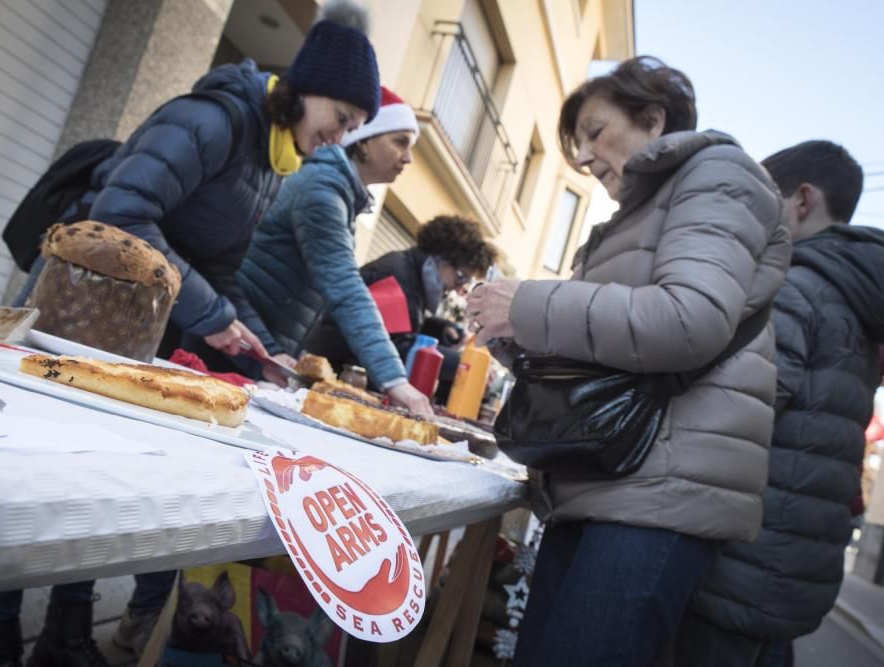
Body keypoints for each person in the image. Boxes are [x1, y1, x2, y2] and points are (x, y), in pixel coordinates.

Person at [0, 3, 381, 666]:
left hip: (135, 331)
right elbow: (122, 213)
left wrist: (251, 336)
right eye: (342, 119)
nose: (341, 136)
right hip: (78, 311)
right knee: (36, 474)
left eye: (356, 128)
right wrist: (214, 311)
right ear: (305, 90)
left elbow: (217, 270)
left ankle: (66, 632)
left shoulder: (275, 166)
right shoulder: (215, 119)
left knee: (97, 479)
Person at [465, 56, 791, 666]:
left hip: (662, 491)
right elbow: (599, 353)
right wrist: (510, 334)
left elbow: (688, 319)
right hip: (604, 481)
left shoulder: (717, 173)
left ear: (651, 117)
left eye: (593, 132)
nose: (583, 158)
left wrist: (530, 305)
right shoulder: (629, 220)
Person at [672, 141, 884, 667]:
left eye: (764, 196)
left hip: (742, 563)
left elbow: (741, 408)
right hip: (795, 571)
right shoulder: (857, 300)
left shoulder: (797, 285)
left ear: (803, 200)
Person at [236, 88, 433, 413]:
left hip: (260, 344)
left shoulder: (338, 190)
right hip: (242, 341)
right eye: (400, 142)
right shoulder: (322, 190)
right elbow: (345, 287)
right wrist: (395, 380)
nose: (408, 158)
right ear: (366, 140)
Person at [303, 214, 496, 403]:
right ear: (441, 258)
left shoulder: (409, 275)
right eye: (461, 276)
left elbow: (398, 324)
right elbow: (392, 346)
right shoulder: (397, 277)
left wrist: (439, 329)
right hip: (329, 378)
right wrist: (460, 364)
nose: (458, 287)